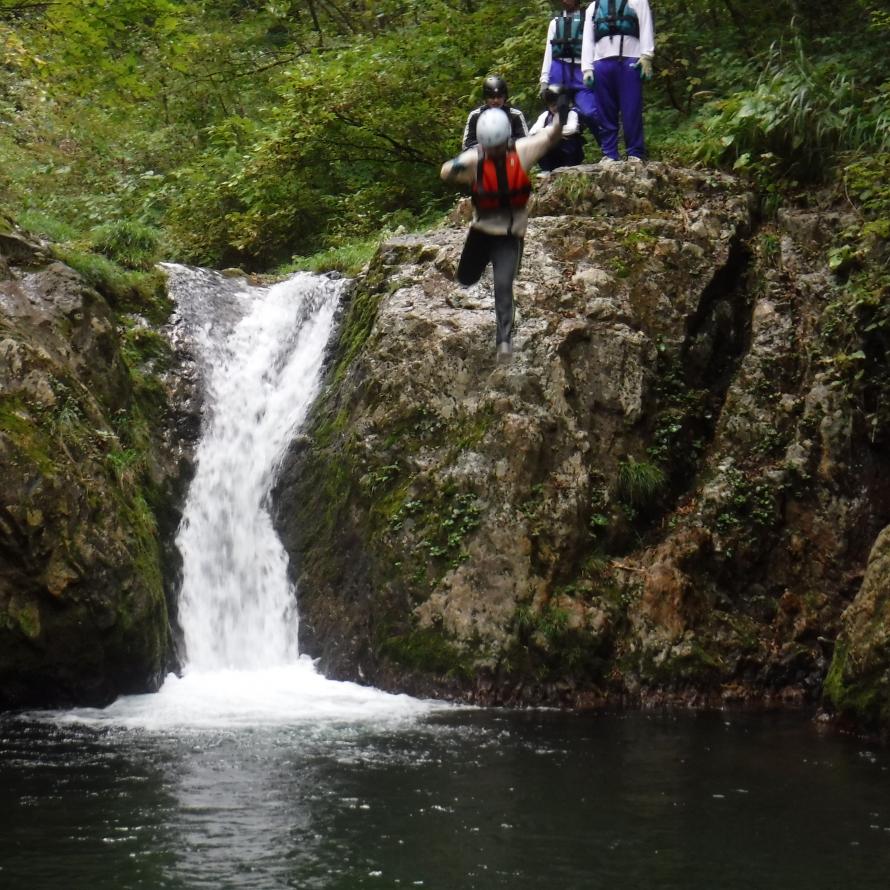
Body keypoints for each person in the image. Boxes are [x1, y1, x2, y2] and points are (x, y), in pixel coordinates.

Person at [442, 100, 568, 363]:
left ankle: (504, 342)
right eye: (490, 147)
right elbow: (447, 172)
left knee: (503, 284)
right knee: (465, 279)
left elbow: (550, 136)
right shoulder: (475, 159)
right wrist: (453, 168)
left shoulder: (521, 151)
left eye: (498, 145)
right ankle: (470, 278)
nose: (495, 151)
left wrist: (560, 114)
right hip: (481, 232)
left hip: (510, 234)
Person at [581, 0, 655, 163]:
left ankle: (635, 152)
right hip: (601, 63)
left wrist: (647, 55)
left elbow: (645, 25)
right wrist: (587, 68)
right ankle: (609, 153)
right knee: (605, 111)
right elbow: (587, 39)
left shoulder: (638, 1)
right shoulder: (593, 8)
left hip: (630, 60)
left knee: (631, 108)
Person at [539, 0, 601, 140]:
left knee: (590, 112)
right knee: (558, 115)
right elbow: (549, 52)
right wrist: (544, 79)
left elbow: (595, 47)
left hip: (582, 70)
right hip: (559, 70)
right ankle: (558, 155)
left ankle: (608, 150)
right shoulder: (555, 22)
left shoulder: (589, 19)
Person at [462, 75, 528, 151]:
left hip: (510, 158)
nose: (496, 100)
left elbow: (525, 142)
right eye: (492, 97)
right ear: (486, 98)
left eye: (499, 96)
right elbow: (466, 145)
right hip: (484, 159)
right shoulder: (475, 116)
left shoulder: (515, 115)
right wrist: (489, 146)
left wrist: (504, 145)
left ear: (505, 97)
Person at [529, 84, 584, 171]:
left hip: (569, 153)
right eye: (551, 105)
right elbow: (532, 132)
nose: (554, 108)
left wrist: (547, 132)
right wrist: (555, 133)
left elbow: (571, 129)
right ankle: (547, 171)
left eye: (556, 104)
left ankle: (569, 171)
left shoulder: (571, 113)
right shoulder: (545, 116)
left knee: (569, 141)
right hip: (551, 153)